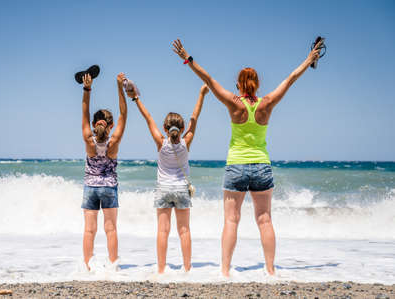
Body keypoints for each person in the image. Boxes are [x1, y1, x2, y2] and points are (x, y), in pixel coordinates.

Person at [171, 38, 322, 277]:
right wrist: (309, 59)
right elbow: (291, 78)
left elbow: (208, 80)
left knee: (231, 220)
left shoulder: (233, 103)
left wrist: (188, 59)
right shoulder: (267, 103)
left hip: (236, 166)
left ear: (240, 84)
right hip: (262, 165)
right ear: (257, 84)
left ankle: (225, 271)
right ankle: (271, 271)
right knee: (264, 220)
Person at [132, 84, 209, 274]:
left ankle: (160, 269)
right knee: (184, 230)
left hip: (163, 189)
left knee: (162, 231)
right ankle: (187, 268)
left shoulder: (160, 141)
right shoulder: (186, 141)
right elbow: (195, 116)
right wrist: (201, 94)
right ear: (181, 129)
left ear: (165, 129)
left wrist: (136, 99)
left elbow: (148, 117)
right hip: (182, 189)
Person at [80, 72, 128, 271]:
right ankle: (113, 265)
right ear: (111, 126)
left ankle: (88, 266)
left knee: (90, 230)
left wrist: (87, 89)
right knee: (111, 229)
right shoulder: (114, 141)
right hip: (109, 187)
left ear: (93, 125)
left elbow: (84, 111)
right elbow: (124, 114)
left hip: (90, 186)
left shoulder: (88, 138)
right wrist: (119, 87)